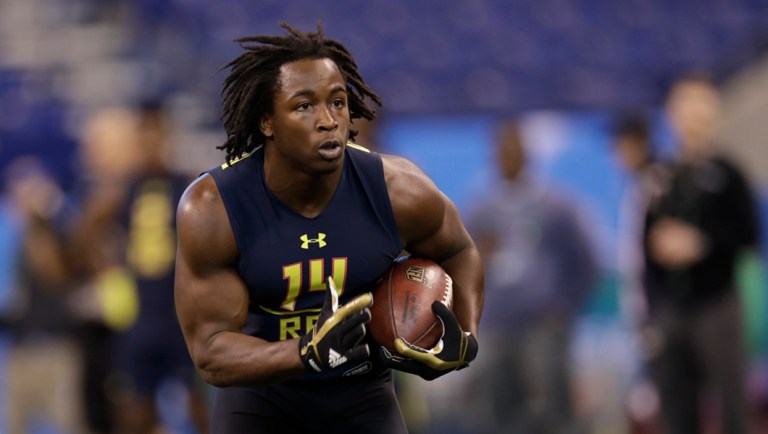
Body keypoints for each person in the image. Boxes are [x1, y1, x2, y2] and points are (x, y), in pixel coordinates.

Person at [173, 22, 483, 433]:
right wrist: (305, 353)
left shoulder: (397, 190)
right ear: (267, 122)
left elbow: (460, 250)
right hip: (263, 401)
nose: (328, 120)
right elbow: (210, 351)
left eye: (337, 102)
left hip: (363, 397)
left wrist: (464, 335)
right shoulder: (214, 206)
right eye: (304, 106)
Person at [455, 120, 597, 434]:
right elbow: (459, 268)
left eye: (514, 147)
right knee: (496, 415)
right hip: (496, 327)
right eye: (501, 148)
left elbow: (587, 262)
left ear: (527, 153)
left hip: (542, 327)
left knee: (551, 416)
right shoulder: (479, 209)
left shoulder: (556, 206)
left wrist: (564, 308)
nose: (507, 155)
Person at [642, 73, 760, 434]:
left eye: (700, 107)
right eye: (685, 107)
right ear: (673, 115)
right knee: (677, 404)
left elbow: (749, 234)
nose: (693, 116)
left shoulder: (728, 173)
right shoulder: (661, 175)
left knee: (730, 402)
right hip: (672, 307)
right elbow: (645, 242)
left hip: (717, 303)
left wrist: (702, 242)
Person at [110, 102, 210, 434]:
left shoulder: (187, 185)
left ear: (166, 136)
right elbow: (92, 234)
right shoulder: (124, 189)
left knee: (197, 403)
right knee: (136, 409)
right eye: (144, 133)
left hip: (179, 315)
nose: (150, 141)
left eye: (156, 132)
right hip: (140, 314)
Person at [1, 157, 86, 434]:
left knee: (64, 424)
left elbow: (58, 274)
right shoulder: (9, 233)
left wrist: (46, 218)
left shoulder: (57, 229)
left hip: (57, 347)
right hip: (18, 348)